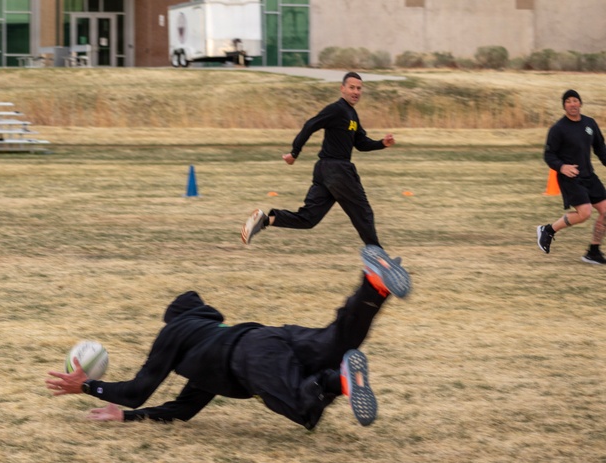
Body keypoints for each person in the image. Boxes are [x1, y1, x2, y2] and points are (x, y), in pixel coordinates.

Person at [46, 245, 410, 430]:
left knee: (302, 408)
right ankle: (373, 287)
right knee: (337, 342)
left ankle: (340, 380)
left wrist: (89, 388)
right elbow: (183, 409)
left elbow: (139, 388)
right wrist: (127, 418)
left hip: (251, 357)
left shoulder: (174, 333)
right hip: (269, 336)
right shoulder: (206, 343)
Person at [241, 71, 395, 247]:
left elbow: (360, 143)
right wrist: (294, 152)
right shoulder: (336, 109)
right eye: (352, 87)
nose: (356, 91)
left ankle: (265, 220)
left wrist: (382, 143)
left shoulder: (351, 114)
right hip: (338, 170)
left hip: (325, 171)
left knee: (309, 219)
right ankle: (379, 259)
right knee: (363, 213)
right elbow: (310, 125)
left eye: (359, 88)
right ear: (342, 88)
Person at [536, 89, 606, 264]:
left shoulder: (590, 124)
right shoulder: (558, 129)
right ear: (564, 106)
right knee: (585, 213)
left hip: (589, 176)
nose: (572, 104)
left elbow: (600, 149)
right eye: (568, 101)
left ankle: (593, 252)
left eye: (575, 100)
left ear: (580, 103)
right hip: (570, 178)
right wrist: (562, 167)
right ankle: (548, 229)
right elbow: (549, 155)